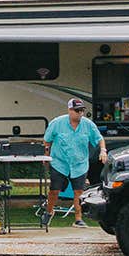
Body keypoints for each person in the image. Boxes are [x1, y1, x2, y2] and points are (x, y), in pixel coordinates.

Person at [41, 97, 107, 228]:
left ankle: (78, 219)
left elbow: (99, 139)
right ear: (69, 110)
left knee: (79, 192)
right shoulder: (57, 123)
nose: (80, 113)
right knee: (54, 190)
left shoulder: (88, 124)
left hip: (80, 164)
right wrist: (46, 156)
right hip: (59, 163)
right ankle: (49, 212)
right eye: (77, 111)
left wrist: (103, 151)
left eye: (82, 110)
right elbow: (47, 140)